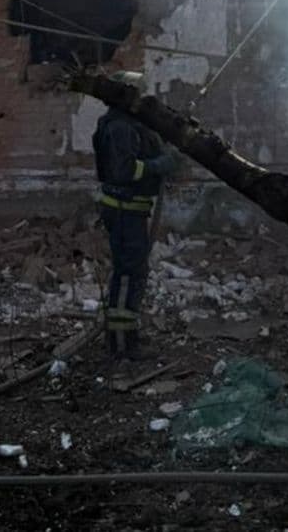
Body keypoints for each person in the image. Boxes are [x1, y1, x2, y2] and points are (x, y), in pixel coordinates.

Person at [92, 70, 175, 360]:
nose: (144, 99)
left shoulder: (127, 124)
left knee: (132, 271)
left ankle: (125, 335)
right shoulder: (120, 128)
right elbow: (125, 171)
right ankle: (121, 343)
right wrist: (159, 165)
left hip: (130, 211)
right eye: (139, 93)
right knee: (129, 273)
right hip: (125, 212)